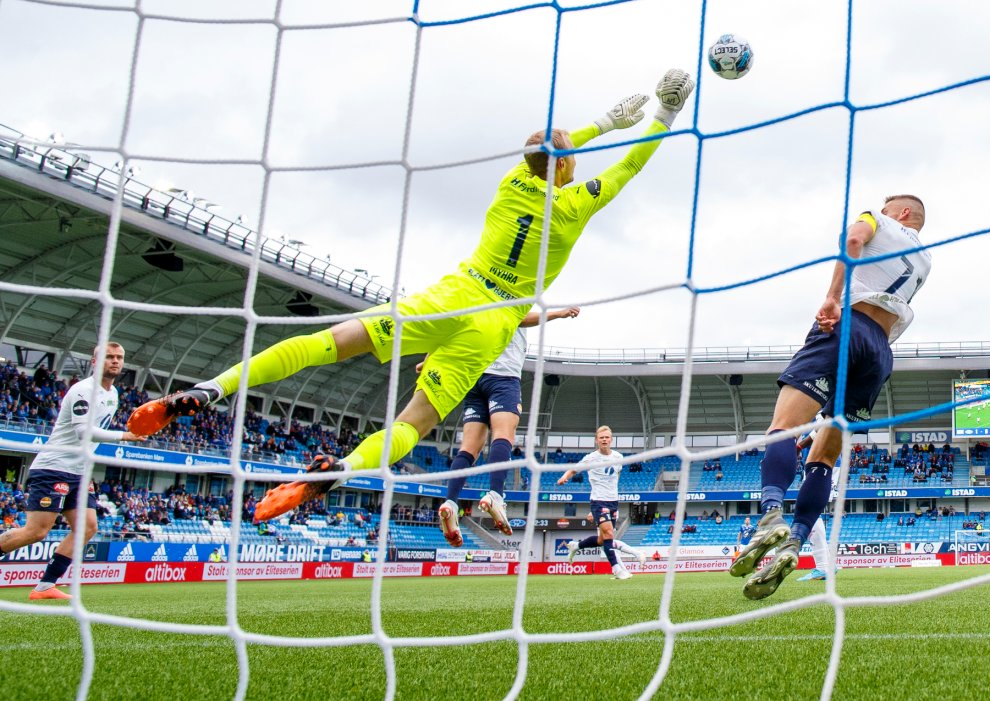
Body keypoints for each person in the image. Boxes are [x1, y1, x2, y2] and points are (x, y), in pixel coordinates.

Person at [125, 69, 696, 522]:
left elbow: (547, 149)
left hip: (454, 293)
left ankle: (210, 387)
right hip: (491, 324)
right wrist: (663, 113)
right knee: (415, 422)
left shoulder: (513, 184)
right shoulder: (577, 206)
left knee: (329, 341)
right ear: (569, 165)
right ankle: (343, 468)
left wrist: (601, 121)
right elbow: (631, 168)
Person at [731, 195, 931, 600]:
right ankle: (797, 541)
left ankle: (771, 514)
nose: (882, 206)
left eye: (888, 204)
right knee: (822, 458)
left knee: (782, 429)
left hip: (846, 325)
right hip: (878, 352)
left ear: (902, 212)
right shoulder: (926, 260)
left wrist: (830, 297)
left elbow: (853, 242)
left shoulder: (877, 219)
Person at [0, 343, 145, 600]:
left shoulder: (113, 394)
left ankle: (45, 586)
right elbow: (83, 431)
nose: (114, 361)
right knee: (36, 532)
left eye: (119, 357)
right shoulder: (83, 390)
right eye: (109, 357)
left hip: (79, 472)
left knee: (88, 527)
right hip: (54, 467)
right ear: (94, 361)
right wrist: (125, 436)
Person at [434, 306, 580, 547]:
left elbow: (453, 331)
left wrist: (431, 359)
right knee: (503, 435)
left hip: (474, 378)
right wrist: (557, 314)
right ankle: (495, 495)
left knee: (469, 448)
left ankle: (450, 502)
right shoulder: (511, 292)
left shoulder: (478, 297)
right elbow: (520, 317)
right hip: (502, 376)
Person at [559, 426, 633, 579]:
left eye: (607, 437)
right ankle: (617, 570)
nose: (604, 440)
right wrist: (565, 477)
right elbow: (574, 469)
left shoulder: (619, 457)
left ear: (611, 439)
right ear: (597, 440)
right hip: (598, 501)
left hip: (613, 501)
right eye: (601, 438)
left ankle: (576, 546)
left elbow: (617, 475)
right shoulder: (591, 458)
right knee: (609, 534)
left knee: (601, 540)